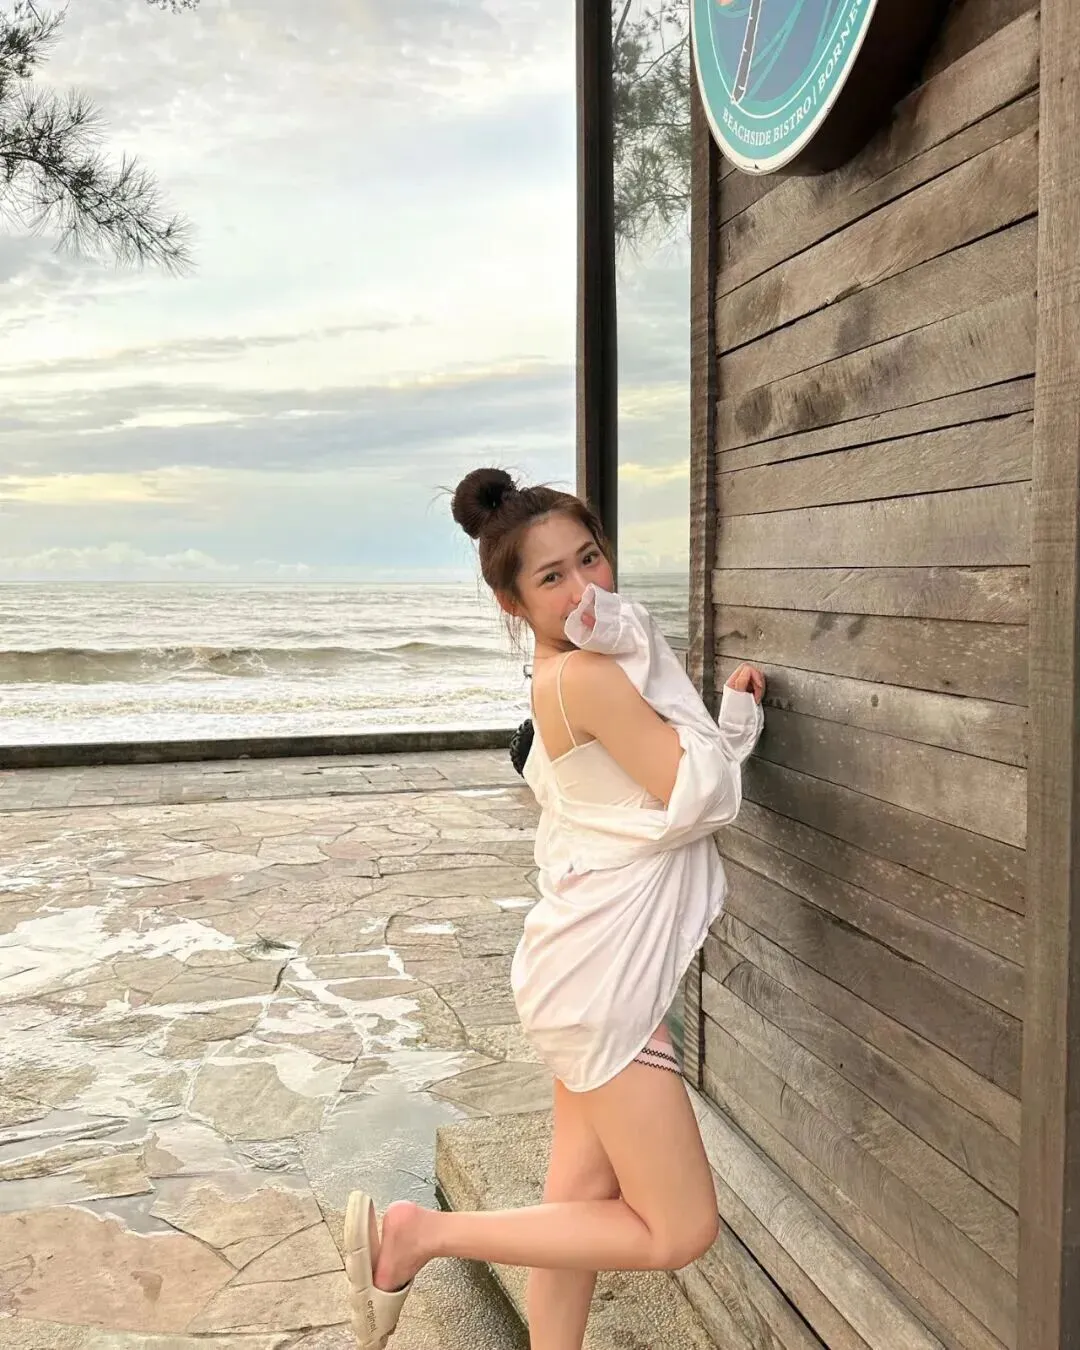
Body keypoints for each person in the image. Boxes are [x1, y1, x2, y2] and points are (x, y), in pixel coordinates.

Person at [344, 467, 766, 1350]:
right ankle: (420, 1236)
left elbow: (661, 796)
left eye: (591, 558)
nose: (584, 589)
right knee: (679, 1230)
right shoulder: (590, 679)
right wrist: (709, 704)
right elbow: (704, 798)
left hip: (583, 972)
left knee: (575, 1205)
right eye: (552, 577)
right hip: (603, 988)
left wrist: (718, 721)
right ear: (513, 602)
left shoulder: (559, 680)